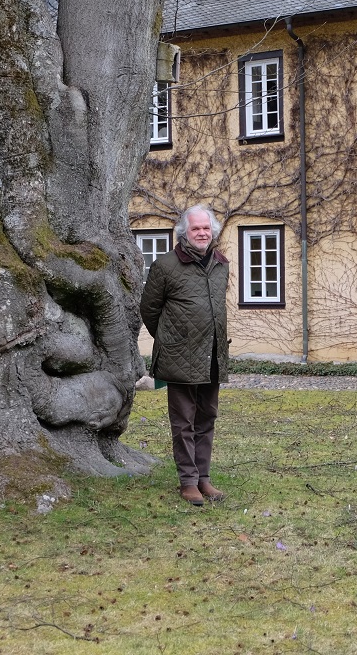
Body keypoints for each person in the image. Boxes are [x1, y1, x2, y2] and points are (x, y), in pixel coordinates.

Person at [139, 204, 230, 506]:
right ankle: (188, 482)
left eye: (206, 228)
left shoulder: (221, 263)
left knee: (207, 417)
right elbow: (149, 310)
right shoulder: (165, 265)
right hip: (179, 356)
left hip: (212, 353)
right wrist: (169, 339)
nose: (202, 233)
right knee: (183, 422)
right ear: (184, 232)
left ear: (212, 231)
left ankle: (204, 478)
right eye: (196, 229)